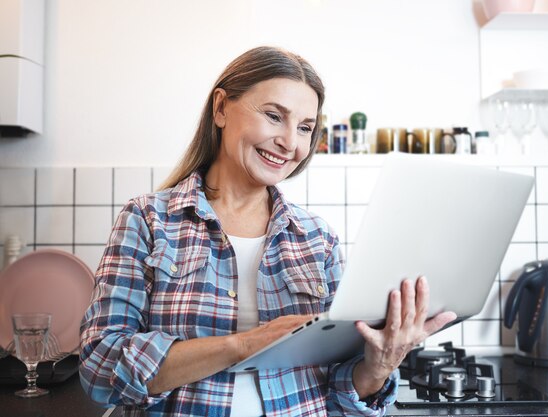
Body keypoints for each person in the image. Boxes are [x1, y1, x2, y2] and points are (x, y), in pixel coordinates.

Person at [79, 46, 456, 417]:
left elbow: (341, 397)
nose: (291, 143)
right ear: (221, 108)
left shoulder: (317, 238)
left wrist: (379, 366)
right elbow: (100, 369)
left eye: (305, 128)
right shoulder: (148, 219)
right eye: (275, 116)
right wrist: (244, 345)